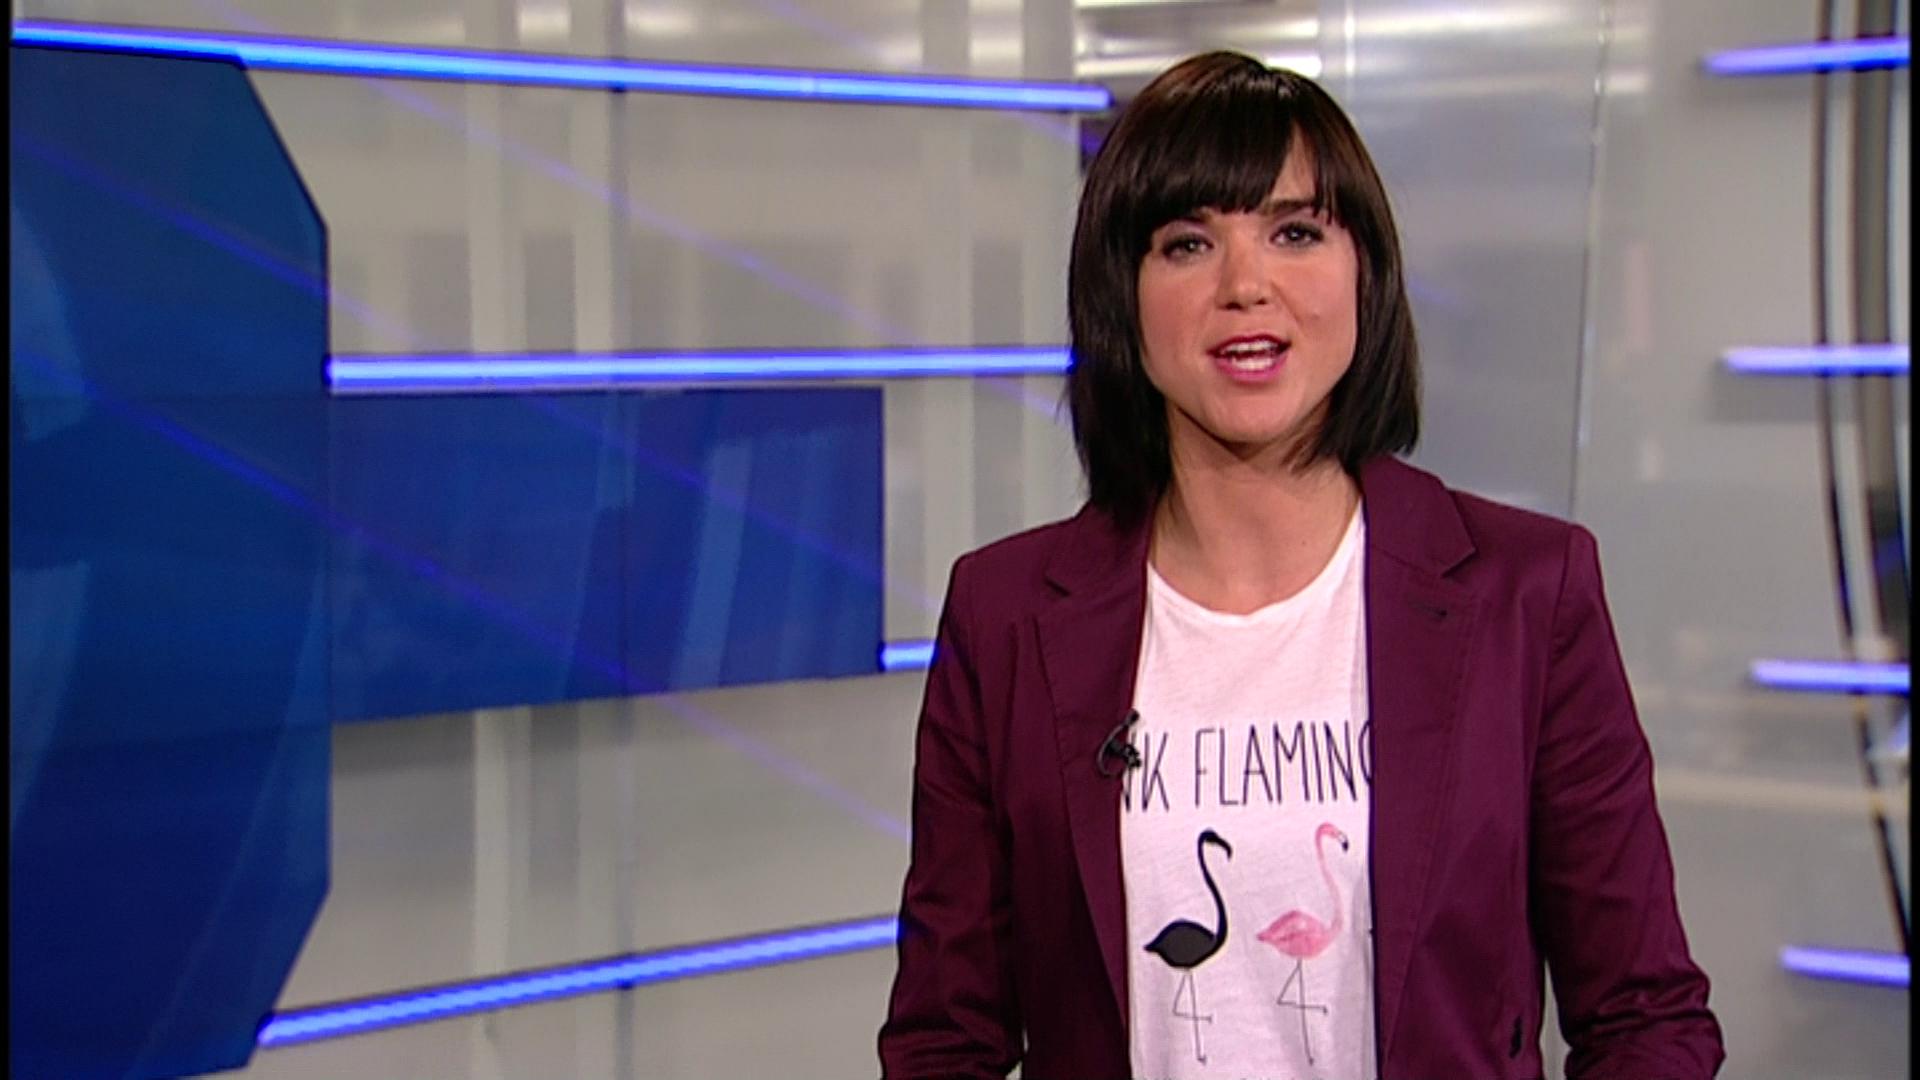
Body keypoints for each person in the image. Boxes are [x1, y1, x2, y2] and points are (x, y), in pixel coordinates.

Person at [877, 51, 1723, 1080]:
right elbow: (944, 1039)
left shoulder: (1526, 594)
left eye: (1294, 232)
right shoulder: (1005, 617)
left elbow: (1646, 1016)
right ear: (1122, 298)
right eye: (1188, 243)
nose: (1246, 286)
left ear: (1365, 272)